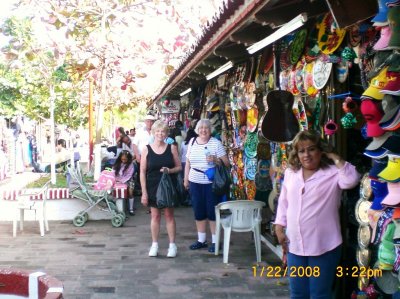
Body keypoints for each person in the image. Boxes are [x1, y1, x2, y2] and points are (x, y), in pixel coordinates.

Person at [274, 130, 360, 299]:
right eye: (301, 151)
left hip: (324, 246)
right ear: (296, 154)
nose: (307, 155)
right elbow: (284, 203)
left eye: (312, 149)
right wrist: (278, 227)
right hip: (295, 245)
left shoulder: (333, 173)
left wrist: (334, 156)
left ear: (321, 151)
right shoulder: (291, 174)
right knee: (298, 293)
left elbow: (352, 179)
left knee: (320, 295)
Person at [183, 118, 229, 253]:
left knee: (212, 212)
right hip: (194, 182)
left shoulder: (216, 143)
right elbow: (188, 163)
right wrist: (186, 180)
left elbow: (227, 163)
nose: (203, 130)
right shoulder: (192, 142)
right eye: (201, 128)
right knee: (199, 211)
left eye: (206, 128)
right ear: (197, 130)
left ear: (210, 131)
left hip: (211, 183)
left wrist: (216, 160)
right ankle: (201, 239)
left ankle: (215, 241)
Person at [140, 120, 182, 258]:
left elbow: (179, 167)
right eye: (157, 131)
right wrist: (144, 193)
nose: (160, 133)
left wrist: (169, 171)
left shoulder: (172, 148)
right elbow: (142, 172)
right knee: (155, 216)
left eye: (163, 131)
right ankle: (154, 244)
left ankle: (172, 245)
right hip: (153, 186)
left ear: (166, 134)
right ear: (153, 132)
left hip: (168, 186)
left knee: (169, 215)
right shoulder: (146, 149)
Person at [113, 150, 135, 215]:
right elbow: (114, 172)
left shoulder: (131, 165)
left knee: (130, 192)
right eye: (122, 159)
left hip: (128, 179)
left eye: (125, 159)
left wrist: (122, 181)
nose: (123, 161)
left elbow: (129, 175)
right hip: (118, 179)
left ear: (128, 159)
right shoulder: (117, 163)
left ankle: (131, 209)